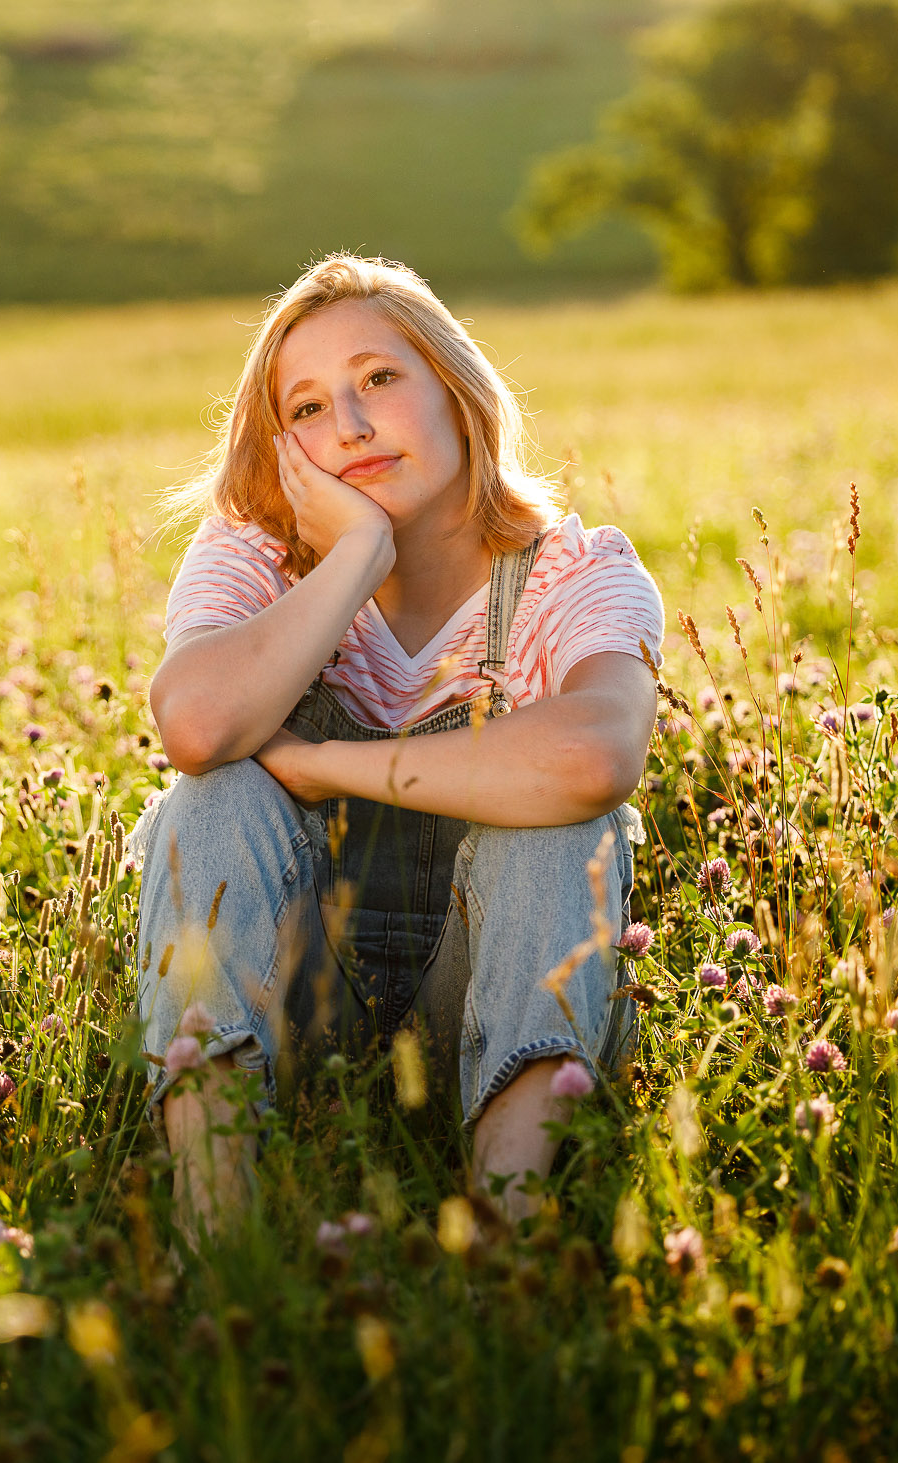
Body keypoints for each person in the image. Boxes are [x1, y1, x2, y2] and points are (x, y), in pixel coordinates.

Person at [130, 253, 665, 1237]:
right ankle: (220, 1239)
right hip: (295, 989)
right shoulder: (252, 555)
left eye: (379, 378)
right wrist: (356, 554)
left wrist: (326, 762)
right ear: (282, 446)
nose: (351, 425)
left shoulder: (572, 572)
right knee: (208, 797)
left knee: (554, 823)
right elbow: (196, 725)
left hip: (486, 979)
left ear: (457, 391)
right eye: (307, 408)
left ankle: (506, 1232)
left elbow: (595, 755)